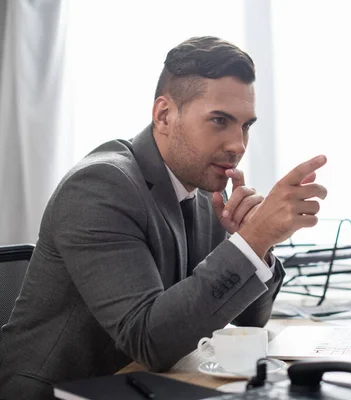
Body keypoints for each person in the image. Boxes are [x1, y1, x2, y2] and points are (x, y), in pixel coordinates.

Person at [0, 36, 327, 399]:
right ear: (164, 115)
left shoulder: (203, 191)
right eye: (220, 120)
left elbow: (250, 321)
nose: (238, 144)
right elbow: (149, 340)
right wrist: (251, 241)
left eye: (246, 125)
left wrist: (257, 246)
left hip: (140, 385)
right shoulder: (99, 186)